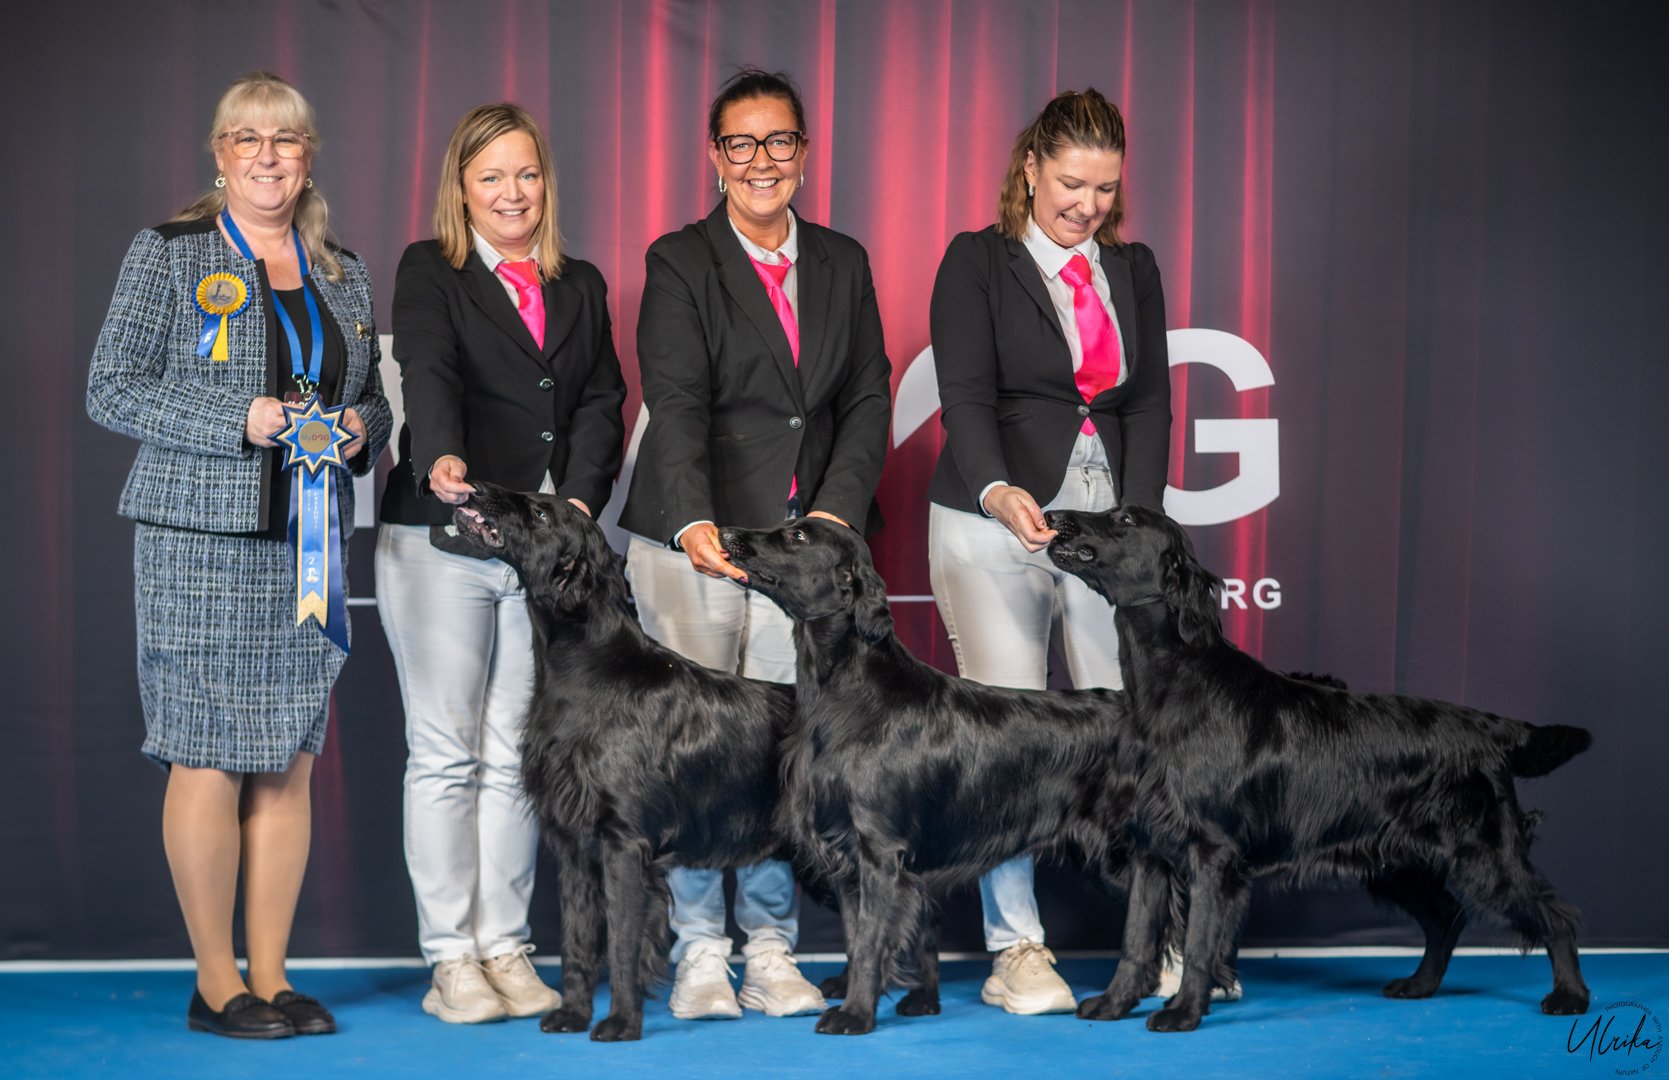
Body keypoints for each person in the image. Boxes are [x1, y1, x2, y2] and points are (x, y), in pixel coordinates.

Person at [86, 71, 391, 1039]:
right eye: (246, 138)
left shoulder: (343, 270)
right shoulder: (170, 254)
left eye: (285, 139)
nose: (267, 155)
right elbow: (111, 387)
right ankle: (216, 983)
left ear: (308, 159)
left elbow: (371, 400)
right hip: (198, 544)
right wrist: (240, 418)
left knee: (287, 759)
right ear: (219, 156)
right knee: (207, 754)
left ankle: (273, 974)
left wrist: (359, 430)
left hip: (307, 545)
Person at [619, 68, 892, 1021]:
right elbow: (675, 399)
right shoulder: (679, 260)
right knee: (696, 752)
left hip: (799, 556)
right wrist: (694, 519)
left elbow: (867, 397)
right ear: (715, 156)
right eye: (741, 144)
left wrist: (833, 518)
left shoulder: (843, 261)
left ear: (804, 153)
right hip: (692, 542)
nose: (760, 161)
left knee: (787, 750)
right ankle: (700, 954)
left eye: (779, 141)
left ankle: (772, 950)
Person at [376, 103, 627, 1024]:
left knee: (515, 751)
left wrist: (580, 503)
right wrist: (441, 454)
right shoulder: (429, 268)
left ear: (545, 183)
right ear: (461, 188)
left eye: (525, 174)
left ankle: (505, 946)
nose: (511, 193)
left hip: (538, 554)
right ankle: (451, 958)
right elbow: (429, 370)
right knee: (445, 753)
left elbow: (601, 398)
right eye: (491, 177)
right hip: (437, 538)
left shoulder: (580, 282)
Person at [927, 87, 1176, 1014]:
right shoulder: (977, 260)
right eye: (1071, 183)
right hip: (990, 521)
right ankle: (1016, 949)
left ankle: (1158, 938)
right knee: (1010, 738)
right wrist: (997, 489)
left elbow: (1147, 402)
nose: (1087, 205)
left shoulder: (1133, 268)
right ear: (1029, 168)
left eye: (1104, 189)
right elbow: (964, 395)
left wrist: (1138, 523)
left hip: (1105, 536)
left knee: (1132, 730)